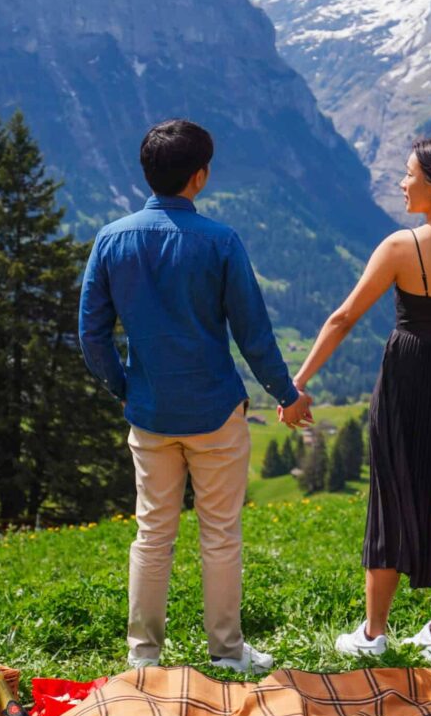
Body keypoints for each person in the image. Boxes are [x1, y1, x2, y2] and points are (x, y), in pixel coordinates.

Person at [79, 119, 312, 673]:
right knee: (221, 536)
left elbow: (92, 334)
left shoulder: (111, 239)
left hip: (151, 413)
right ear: (200, 177)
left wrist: (123, 387)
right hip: (215, 413)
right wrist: (287, 393)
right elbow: (252, 333)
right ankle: (227, 650)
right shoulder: (221, 241)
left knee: (152, 533)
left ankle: (144, 656)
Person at [285, 135, 431, 667]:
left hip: (409, 378)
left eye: (409, 174)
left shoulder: (402, 247)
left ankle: (374, 634)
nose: (401, 182)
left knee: (394, 495)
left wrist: (297, 383)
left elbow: (342, 318)